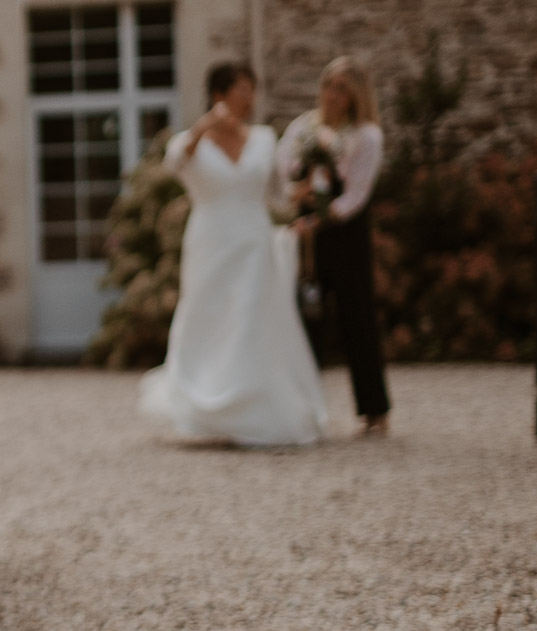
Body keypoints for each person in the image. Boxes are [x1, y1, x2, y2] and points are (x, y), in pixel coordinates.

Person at [139, 63, 328, 446]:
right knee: (210, 320)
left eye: (252, 90)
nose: (249, 98)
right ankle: (208, 407)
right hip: (210, 242)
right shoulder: (188, 141)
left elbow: (276, 193)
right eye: (242, 89)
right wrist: (202, 129)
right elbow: (174, 165)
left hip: (253, 239)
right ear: (219, 94)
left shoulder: (262, 139)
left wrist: (307, 192)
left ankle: (252, 411)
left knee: (250, 318)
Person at [281, 56, 391, 435]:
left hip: (345, 231)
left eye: (342, 88)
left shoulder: (366, 136)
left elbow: (356, 195)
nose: (332, 95)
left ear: (356, 95)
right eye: (329, 85)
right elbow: (281, 173)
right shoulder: (302, 129)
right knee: (304, 317)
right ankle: (303, 410)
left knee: (357, 317)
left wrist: (321, 219)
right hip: (305, 231)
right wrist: (295, 203)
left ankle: (374, 410)